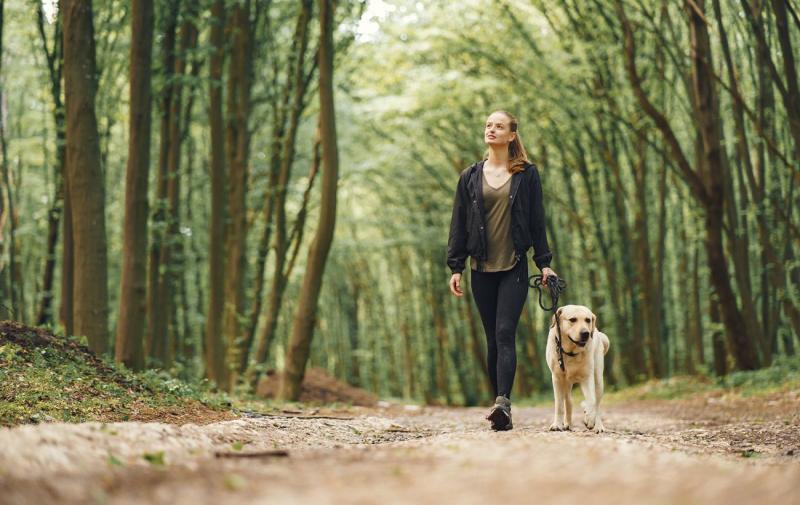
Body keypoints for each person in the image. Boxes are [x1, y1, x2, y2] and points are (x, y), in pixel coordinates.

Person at [446, 110, 556, 431]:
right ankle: (499, 405)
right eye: (488, 125)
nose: (491, 129)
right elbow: (458, 223)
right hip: (480, 267)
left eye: (499, 126)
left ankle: (503, 403)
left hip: (515, 265)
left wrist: (544, 262)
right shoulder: (469, 176)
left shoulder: (527, 175)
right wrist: (456, 266)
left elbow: (537, 221)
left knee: (505, 332)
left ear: (511, 135)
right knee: (492, 339)